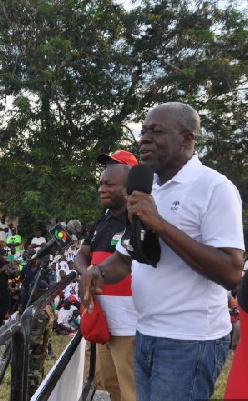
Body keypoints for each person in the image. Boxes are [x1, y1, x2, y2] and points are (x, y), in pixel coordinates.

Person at [81, 102, 245, 401]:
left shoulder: (214, 187)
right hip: (145, 333)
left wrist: (159, 223)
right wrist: (98, 273)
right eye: (143, 131)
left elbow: (231, 272)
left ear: (187, 139)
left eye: (156, 132)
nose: (144, 138)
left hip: (189, 341)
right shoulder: (146, 186)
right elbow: (125, 257)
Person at [74, 161, 137, 401]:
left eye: (109, 184)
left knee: (131, 391)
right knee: (107, 389)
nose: (102, 189)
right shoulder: (103, 219)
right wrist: (87, 273)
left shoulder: (137, 219)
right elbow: (82, 254)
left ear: (128, 188)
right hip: (101, 319)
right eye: (100, 183)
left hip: (129, 324)